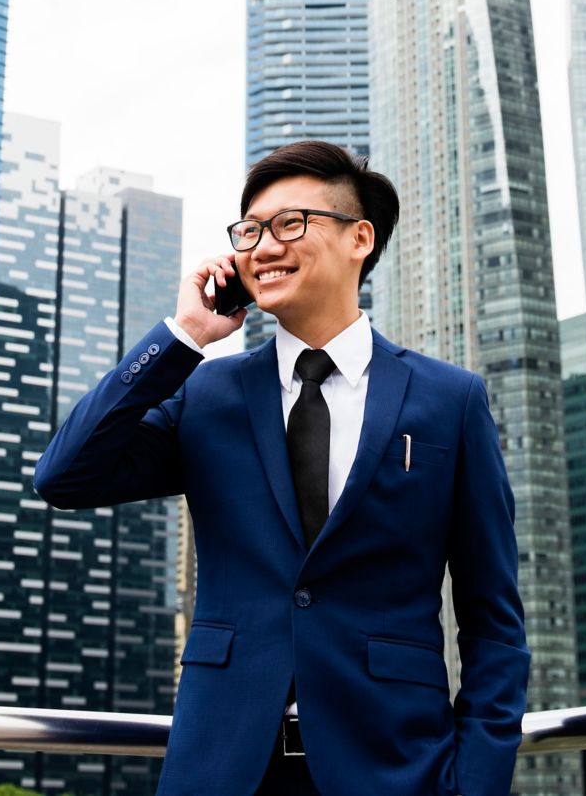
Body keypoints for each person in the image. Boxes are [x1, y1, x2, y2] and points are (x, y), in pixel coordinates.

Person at [33, 140, 529, 796]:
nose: (263, 246)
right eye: (249, 231)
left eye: (290, 224)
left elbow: (493, 620)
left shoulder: (449, 400)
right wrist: (182, 337)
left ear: (359, 238)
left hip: (396, 770)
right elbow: (65, 476)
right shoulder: (207, 394)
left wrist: (477, 783)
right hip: (221, 769)